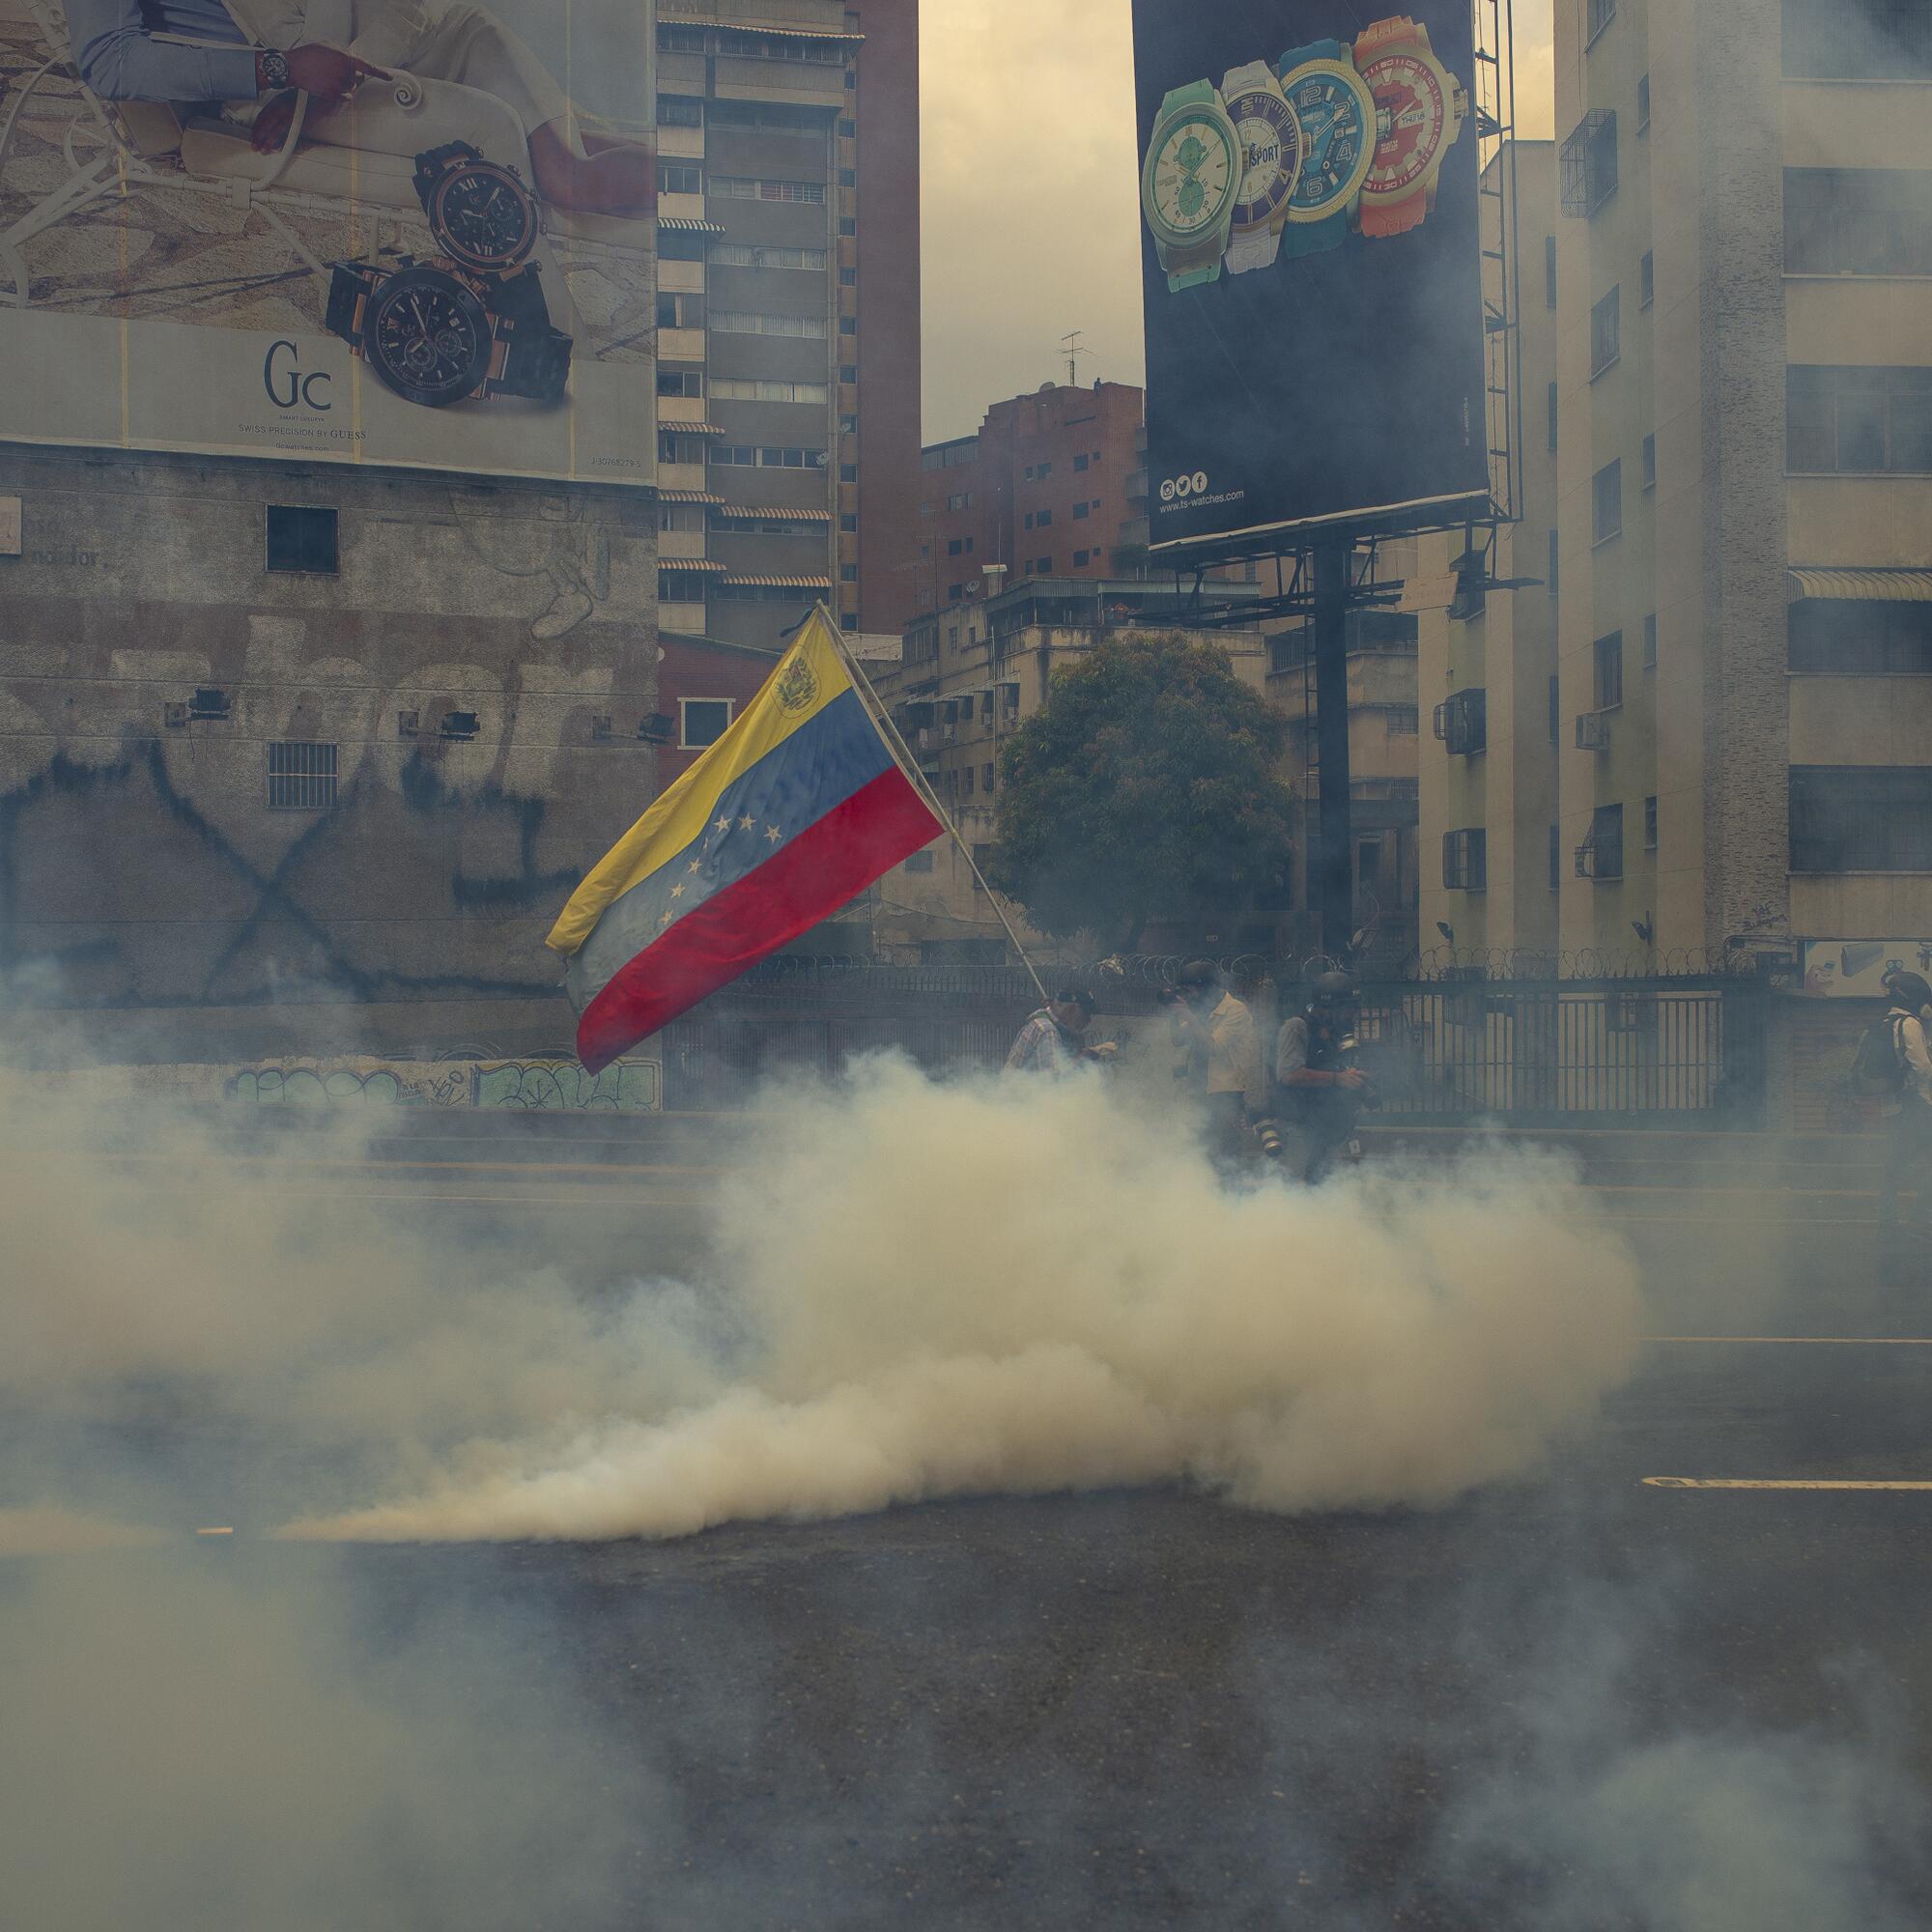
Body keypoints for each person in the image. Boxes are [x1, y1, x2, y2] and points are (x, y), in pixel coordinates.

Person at [68, 0, 657, 214]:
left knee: (577, 161)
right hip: (330, 85)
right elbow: (109, 61)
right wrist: (279, 73)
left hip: (435, 32)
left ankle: (711, 186)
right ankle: (715, 189)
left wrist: (299, 76)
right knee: (566, 176)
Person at [1272, 972, 1376, 1183]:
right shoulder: (1297, 1027)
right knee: (1295, 1186)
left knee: (1325, 1188)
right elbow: (1289, 1075)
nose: (1353, 1014)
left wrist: (1353, 1075)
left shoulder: (1334, 1031)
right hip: (1299, 1125)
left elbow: (1333, 1067)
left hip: (1327, 1127)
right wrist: (1337, 1078)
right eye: (1349, 1008)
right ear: (1329, 1006)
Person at [1169, 960, 1264, 1165]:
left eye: (1190, 990)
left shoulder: (1235, 1010)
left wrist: (1189, 1016)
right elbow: (1178, 1039)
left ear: (1207, 989)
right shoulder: (1201, 1009)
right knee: (1200, 1146)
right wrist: (1174, 1014)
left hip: (1225, 1090)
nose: (1189, 996)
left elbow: (1213, 1047)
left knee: (1225, 1149)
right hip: (1200, 1087)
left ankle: (1230, 1191)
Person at [1877, 969, 1932, 1251]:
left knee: (1894, 1166)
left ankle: (1887, 1221)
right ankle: (1920, 1220)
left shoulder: (1887, 1021)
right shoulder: (1909, 1023)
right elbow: (1922, 1067)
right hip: (1916, 1106)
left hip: (1893, 1107)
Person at [1005, 987, 1117, 1077]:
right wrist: (1083, 1056)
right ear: (1072, 1009)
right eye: (1085, 1014)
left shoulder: (1049, 1025)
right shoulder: (1047, 1030)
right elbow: (1052, 1081)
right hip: (1022, 1101)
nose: (1088, 1021)